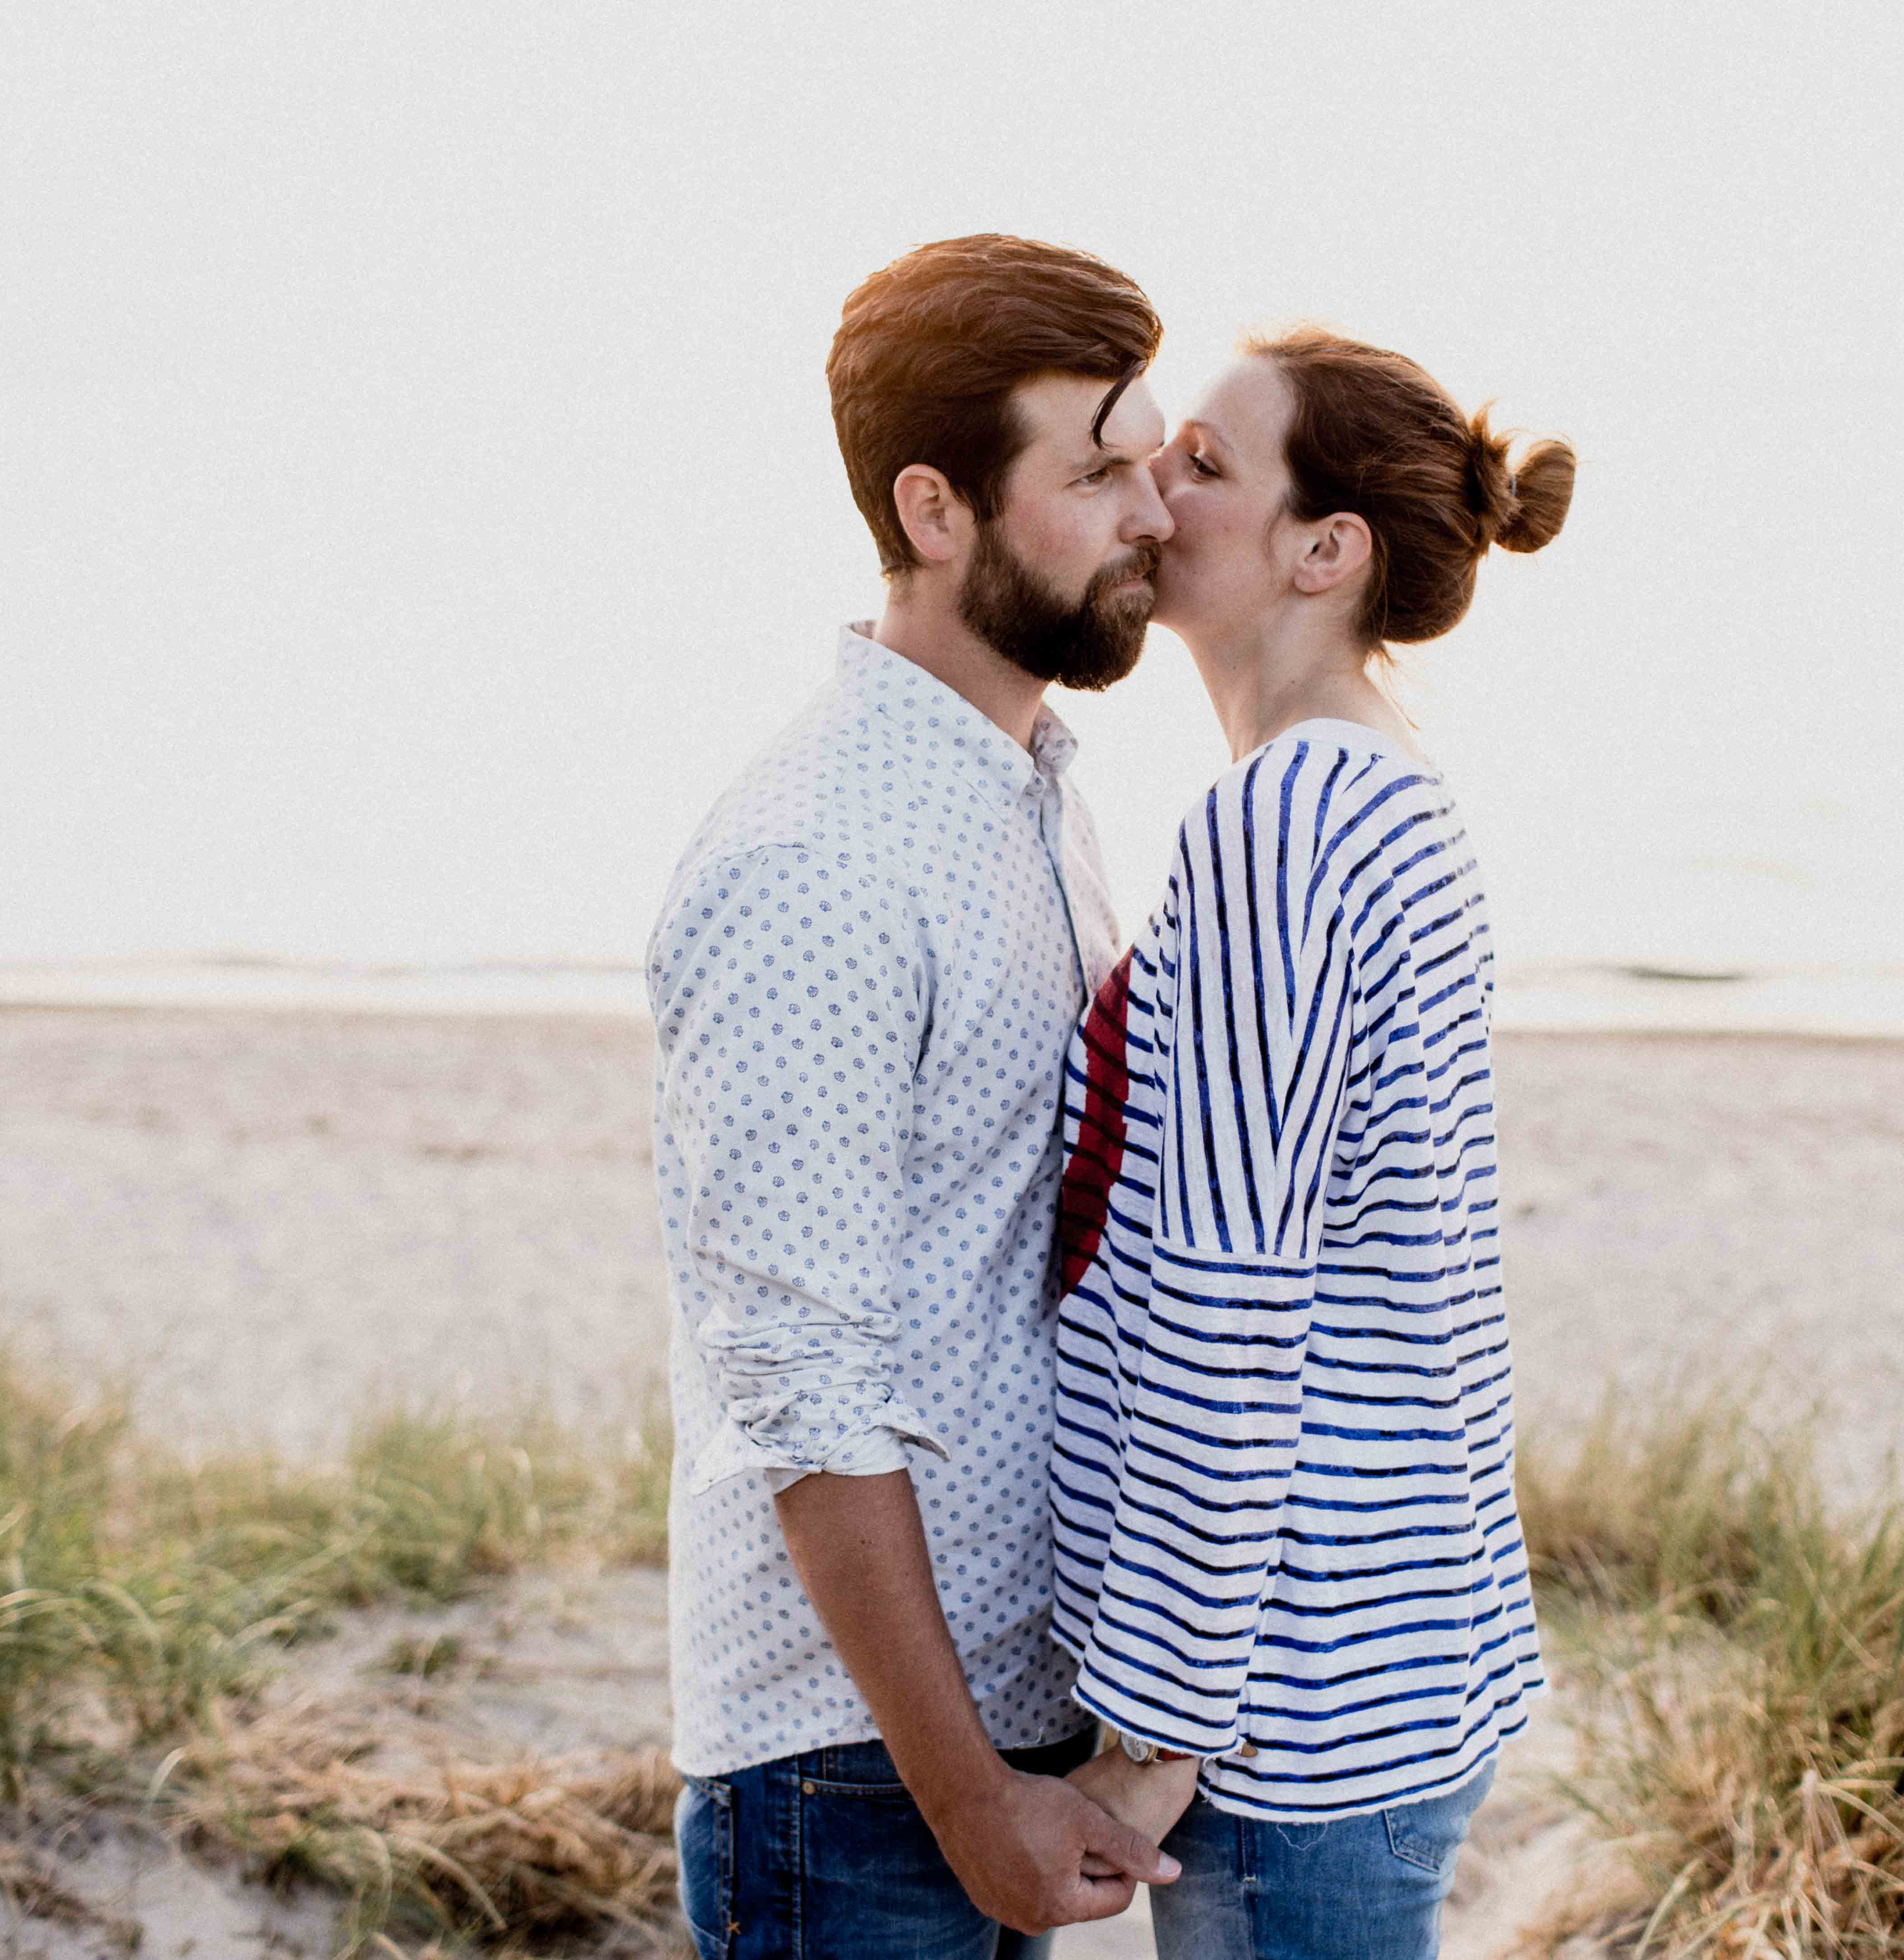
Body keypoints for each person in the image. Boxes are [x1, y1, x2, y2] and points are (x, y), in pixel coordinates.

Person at [647, 234, 1182, 1958]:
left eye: (1152, 464)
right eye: (1095, 474)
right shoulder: (820, 858)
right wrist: (965, 1801)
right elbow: (796, 1381)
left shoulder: (1033, 796)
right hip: (855, 1773)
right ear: (935, 512)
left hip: (995, 1719)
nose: (1151, 517)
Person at [1047, 328, 1573, 1958]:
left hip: (1292, 1711)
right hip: (1377, 1651)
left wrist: (1155, 1745)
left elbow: (1232, 1299)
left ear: (1322, 551)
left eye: (1204, 463)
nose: (1151, 485)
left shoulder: (1287, 822)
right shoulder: (1373, 794)